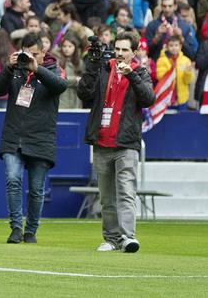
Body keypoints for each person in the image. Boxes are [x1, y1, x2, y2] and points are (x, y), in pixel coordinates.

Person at [76, 34, 155, 253]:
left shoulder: (140, 72)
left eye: (124, 50)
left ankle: (128, 236)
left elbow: (149, 99)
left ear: (134, 51)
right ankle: (111, 238)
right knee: (107, 196)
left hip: (126, 142)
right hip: (101, 141)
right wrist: (92, 63)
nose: (119, 53)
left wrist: (132, 77)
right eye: (117, 49)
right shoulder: (102, 68)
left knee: (126, 191)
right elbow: (84, 92)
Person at [0, 33, 68, 244]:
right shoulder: (15, 70)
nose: (29, 58)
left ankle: (31, 231)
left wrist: (37, 69)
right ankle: (16, 228)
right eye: (26, 54)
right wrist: (8, 67)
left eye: (34, 54)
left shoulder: (54, 69)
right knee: (13, 180)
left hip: (41, 137)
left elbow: (61, 86)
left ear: (43, 52)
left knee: (36, 189)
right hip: (14, 136)